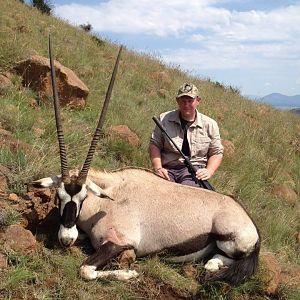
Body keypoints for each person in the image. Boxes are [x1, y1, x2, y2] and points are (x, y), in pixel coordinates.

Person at [149, 83, 223, 187]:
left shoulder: (210, 124)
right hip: (168, 168)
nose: (186, 104)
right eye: (183, 101)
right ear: (177, 101)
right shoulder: (164, 119)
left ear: (198, 101)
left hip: (194, 171)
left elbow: (217, 152)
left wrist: (209, 171)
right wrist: (158, 168)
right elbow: (155, 144)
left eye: (190, 101)